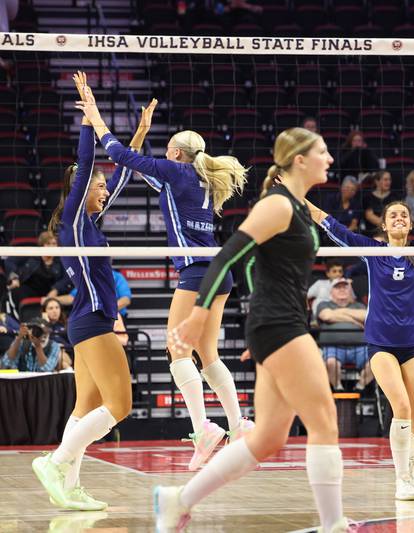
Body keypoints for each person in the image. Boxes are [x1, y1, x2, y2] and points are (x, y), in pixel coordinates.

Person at [156, 127, 349, 533]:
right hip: (279, 324)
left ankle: (178, 501)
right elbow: (227, 257)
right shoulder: (277, 206)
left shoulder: (296, 207)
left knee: (267, 439)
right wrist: (196, 315)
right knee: (324, 421)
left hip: (278, 323)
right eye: (323, 151)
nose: (330, 158)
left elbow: (257, 265)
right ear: (299, 159)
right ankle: (334, 524)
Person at [82, 77, 251, 471]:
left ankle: (203, 429)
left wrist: (96, 118)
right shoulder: (196, 178)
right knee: (206, 353)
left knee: (176, 350)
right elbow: (141, 167)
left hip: (197, 271)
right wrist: (141, 130)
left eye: (168, 147)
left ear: (175, 151)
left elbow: (121, 156)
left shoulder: (177, 173)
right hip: (221, 272)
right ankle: (238, 424)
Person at [309, 137, 414, 501]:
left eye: (403, 216)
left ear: (408, 226)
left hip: (412, 343)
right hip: (380, 342)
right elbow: (333, 227)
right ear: (385, 225)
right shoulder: (372, 252)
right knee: (402, 407)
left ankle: (410, 458)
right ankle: (402, 478)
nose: (399, 218)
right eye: (393, 215)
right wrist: (300, 199)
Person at [31, 72, 154, 512]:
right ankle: (56, 462)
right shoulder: (74, 223)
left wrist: (139, 133)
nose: (105, 190)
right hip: (94, 323)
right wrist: (89, 117)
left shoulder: (88, 226)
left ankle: (71, 485)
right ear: (80, 193)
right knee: (120, 406)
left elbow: (120, 178)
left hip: (85, 323)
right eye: (97, 187)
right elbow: (88, 169)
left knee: (86, 408)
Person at [317, 278, 372, 391]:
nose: (342, 290)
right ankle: (338, 387)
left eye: (345, 287)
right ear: (331, 292)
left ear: (350, 290)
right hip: (332, 347)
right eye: (337, 287)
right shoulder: (324, 304)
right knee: (330, 363)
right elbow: (327, 316)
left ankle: (360, 386)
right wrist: (354, 320)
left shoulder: (359, 305)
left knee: (377, 361)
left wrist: (338, 313)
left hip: (360, 348)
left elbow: (365, 316)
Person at [5, 231, 71, 321]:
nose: (52, 247)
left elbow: (67, 278)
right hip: (31, 288)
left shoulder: (62, 259)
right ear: (42, 245)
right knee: (16, 291)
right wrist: (14, 277)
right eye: (48, 244)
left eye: (54, 244)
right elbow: (9, 261)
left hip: (51, 290)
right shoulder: (32, 254)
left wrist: (56, 289)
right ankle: (19, 321)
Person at [364, 170, 401, 236]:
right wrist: (384, 224)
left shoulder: (395, 196)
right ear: (377, 182)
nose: (388, 182)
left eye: (389, 180)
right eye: (385, 180)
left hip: (392, 231)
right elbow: (369, 216)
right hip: (373, 231)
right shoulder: (368, 197)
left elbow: (397, 215)